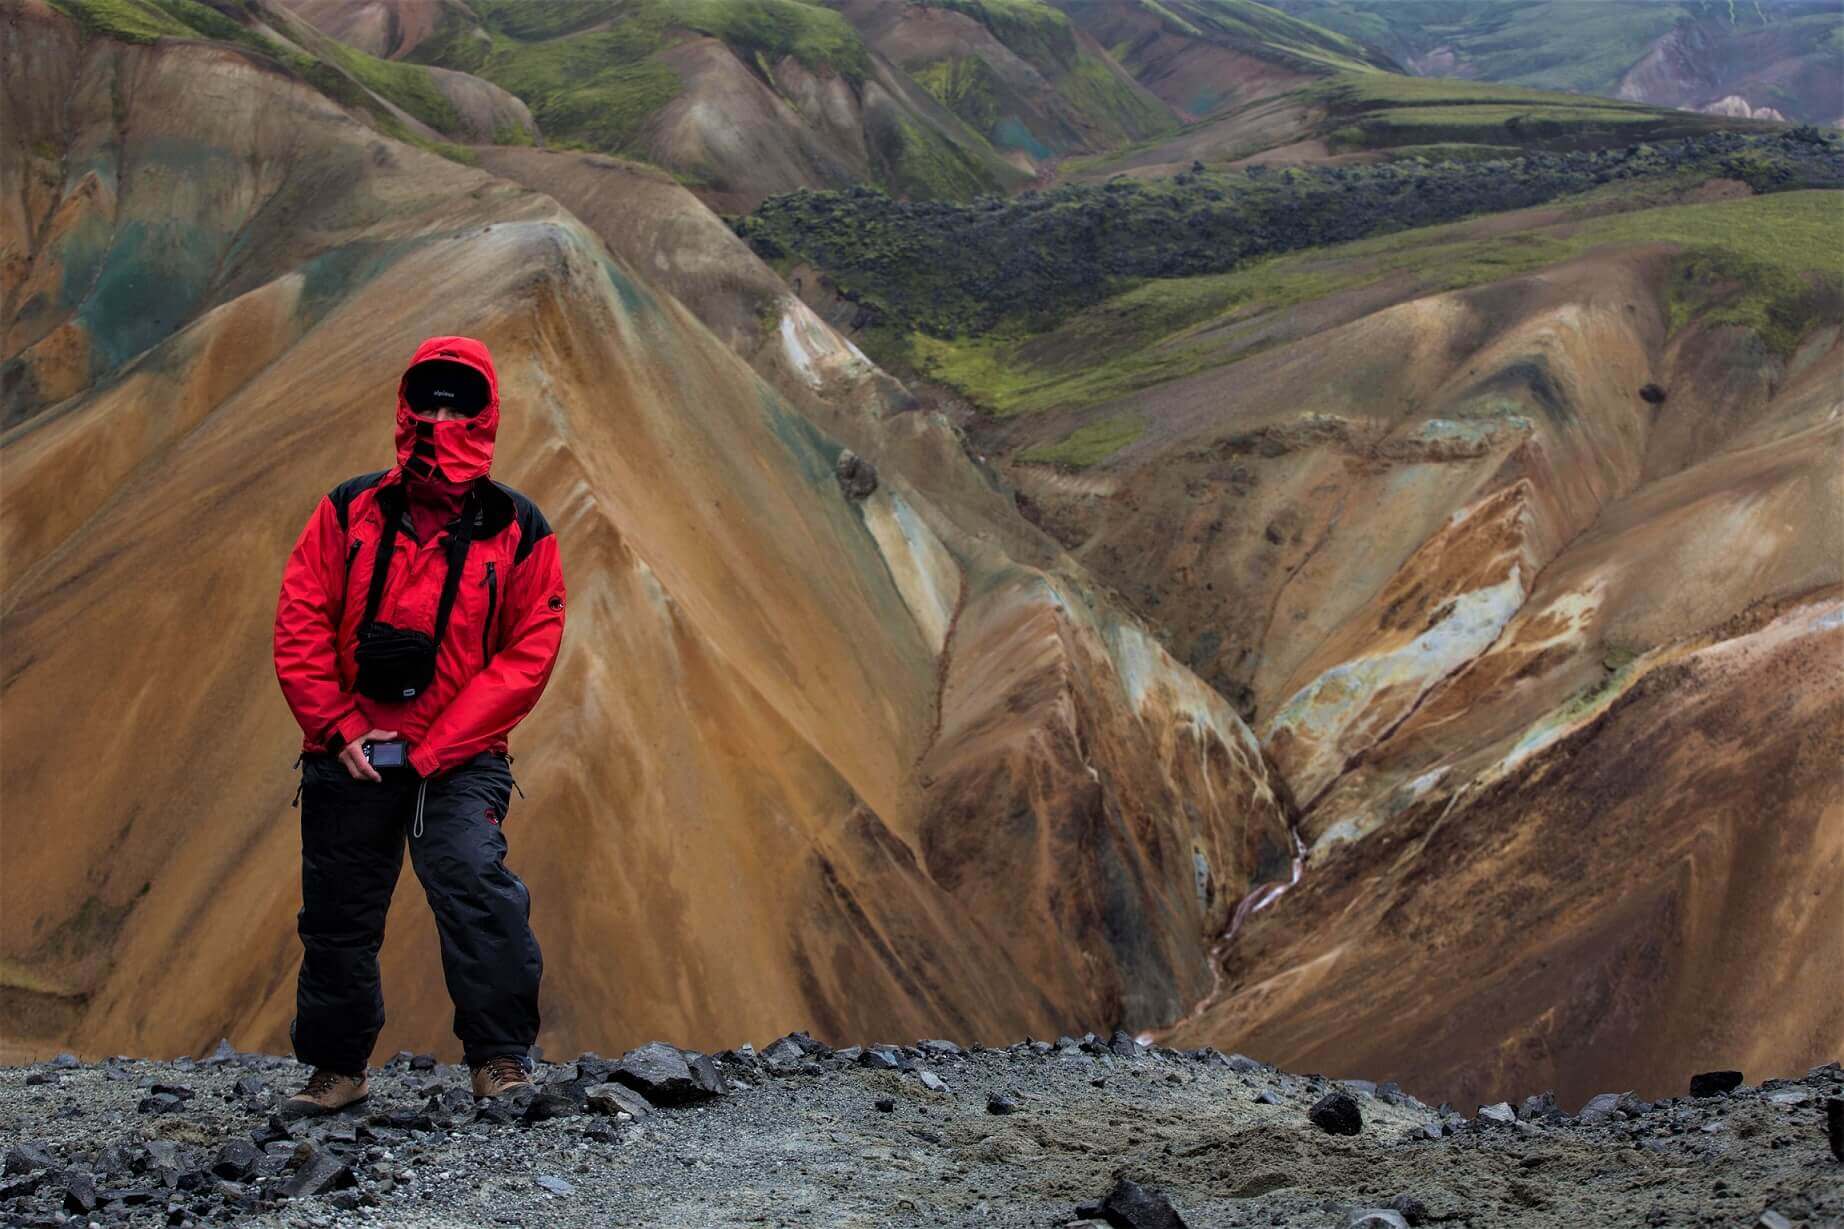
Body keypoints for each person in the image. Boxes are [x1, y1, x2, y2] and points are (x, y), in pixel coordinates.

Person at [272, 335, 566, 1116]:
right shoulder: (348, 510)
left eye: (457, 403)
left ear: (485, 414)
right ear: (406, 407)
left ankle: (498, 1058)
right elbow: (301, 616)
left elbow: (528, 652)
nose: (440, 417)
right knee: (337, 914)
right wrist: (336, 725)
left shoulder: (519, 528)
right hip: (350, 750)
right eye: (427, 400)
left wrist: (440, 746)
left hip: (459, 757)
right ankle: (337, 1069)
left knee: (477, 886)